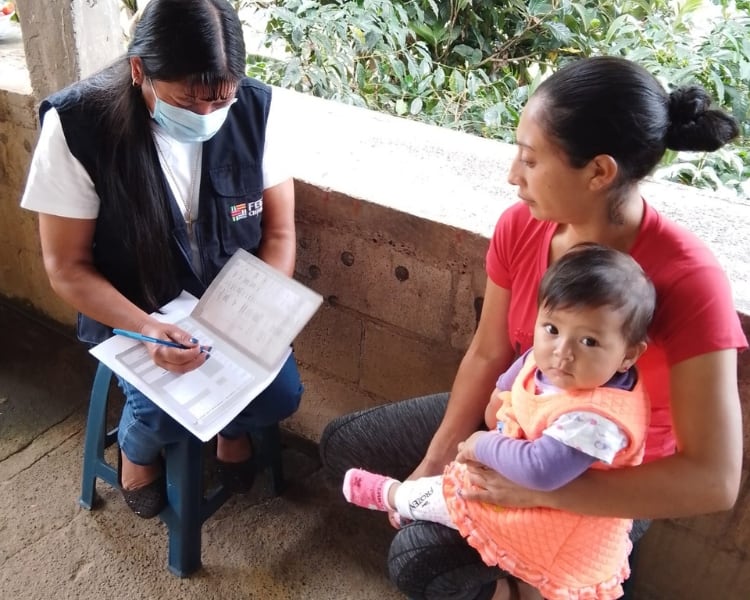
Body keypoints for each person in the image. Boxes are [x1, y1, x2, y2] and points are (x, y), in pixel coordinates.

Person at [320, 56, 747, 600]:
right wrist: (433, 461)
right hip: (523, 418)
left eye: (529, 159)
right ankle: (502, 555)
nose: (511, 175)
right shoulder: (523, 226)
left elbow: (714, 481)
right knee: (343, 446)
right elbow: (488, 352)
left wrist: (544, 492)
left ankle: (530, 584)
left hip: (603, 463)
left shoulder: (690, 279)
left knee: (417, 559)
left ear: (598, 172)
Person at [20, 0, 302, 519]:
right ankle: (137, 446)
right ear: (139, 72)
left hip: (227, 312)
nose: (207, 117)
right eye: (187, 102)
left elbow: (280, 234)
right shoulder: (79, 126)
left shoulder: (257, 111)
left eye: (220, 101)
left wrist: (254, 314)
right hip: (134, 309)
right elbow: (66, 266)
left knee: (280, 396)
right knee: (166, 412)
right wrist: (146, 328)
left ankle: (231, 429)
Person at [343, 244, 655, 600]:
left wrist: (481, 443)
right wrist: (500, 403)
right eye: (551, 328)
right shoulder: (547, 362)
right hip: (521, 460)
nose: (562, 352)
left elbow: (541, 470)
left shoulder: (597, 419)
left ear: (628, 355)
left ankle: (396, 496)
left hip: (567, 509)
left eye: (589, 341)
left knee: (455, 494)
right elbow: (511, 381)